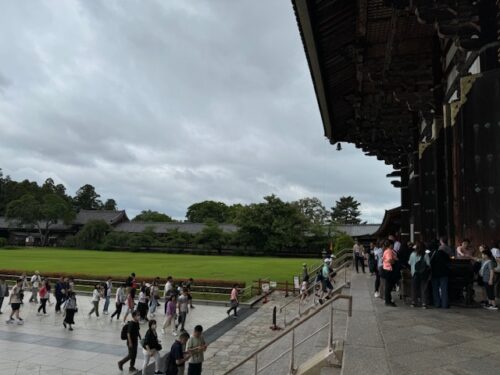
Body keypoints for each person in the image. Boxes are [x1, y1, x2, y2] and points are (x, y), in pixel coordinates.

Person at [408, 241, 431, 308]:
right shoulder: (425, 254)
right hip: (423, 273)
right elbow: (428, 264)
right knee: (423, 288)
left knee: (414, 288)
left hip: (414, 273)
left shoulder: (412, 254)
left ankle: (413, 302)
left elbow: (409, 263)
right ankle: (424, 303)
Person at [431, 241, 451, 308]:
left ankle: (437, 304)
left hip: (434, 273)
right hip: (444, 273)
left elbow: (430, 263)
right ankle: (444, 304)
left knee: (435, 289)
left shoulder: (432, 254)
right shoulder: (444, 253)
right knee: (444, 289)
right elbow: (449, 261)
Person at [381, 240, 399, 307]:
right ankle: (388, 301)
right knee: (388, 286)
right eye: (393, 244)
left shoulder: (386, 250)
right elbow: (389, 260)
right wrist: (394, 262)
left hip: (386, 269)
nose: (393, 246)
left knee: (388, 286)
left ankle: (388, 300)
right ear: (390, 245)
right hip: (389, 269)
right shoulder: (389, 251)